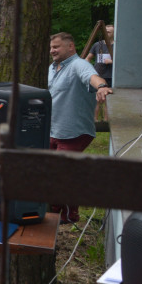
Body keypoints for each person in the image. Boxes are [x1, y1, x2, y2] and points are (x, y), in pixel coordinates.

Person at [47, 32, 113, 224]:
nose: (53, 51)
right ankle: (55, 210)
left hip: (74, 131)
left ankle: (67, 215)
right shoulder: (52, 68)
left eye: (57, 47)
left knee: (61, 173)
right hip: (53, 129)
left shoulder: (79, 64)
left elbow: (91, 76)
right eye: (51, 47)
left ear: (71, 47)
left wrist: (101, 86)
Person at [86, 24, 114, 121]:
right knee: (96, 100)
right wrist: (87, 68)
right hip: (97, 76)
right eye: (105, 31)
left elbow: (123, 62)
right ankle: (94, 120)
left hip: (110, 76)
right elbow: (88, 58)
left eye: (109, 31)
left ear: (114, 33)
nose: (106, 33)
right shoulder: (97, 45)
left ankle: (106, 121)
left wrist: (112, 61)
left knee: (108, 101)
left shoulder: (117, 46)